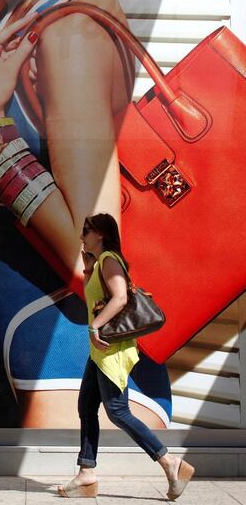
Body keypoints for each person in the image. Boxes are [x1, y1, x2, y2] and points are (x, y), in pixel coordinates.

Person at [0, 0, 172, 428]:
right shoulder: (22, 6)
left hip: (65, 353)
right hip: (16, 342)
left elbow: (90, 262)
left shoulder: (71, 36)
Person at [56, 214, 194, 499]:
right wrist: (87, 269)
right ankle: (86, 473)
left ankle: (170, 463)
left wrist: (94, 326)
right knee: (86, 407)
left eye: (87, 231)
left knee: (118, 411)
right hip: (100, 351)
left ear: (102, 234)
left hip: (111, 350)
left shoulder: (109, 259)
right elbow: (100, 298)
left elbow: (119, 297)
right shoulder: (99, 263)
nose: (82, 235)